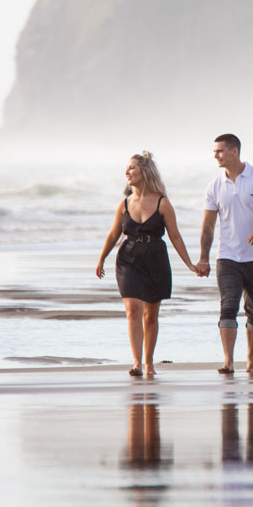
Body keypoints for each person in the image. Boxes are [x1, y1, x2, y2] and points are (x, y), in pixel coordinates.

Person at [96, 152, 198, 378]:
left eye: (132, 168)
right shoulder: (124, 204)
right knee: (133, 310)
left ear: (145, 171)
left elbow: (176, 236)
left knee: (150, 316)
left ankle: (149, 363)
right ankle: (137, 363)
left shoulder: (163, 203)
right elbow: (114, 234)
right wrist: (102, 257)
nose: (127, 172)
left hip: (155, 259)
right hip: (128, 258)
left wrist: (190, 264)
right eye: (127, 168)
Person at [195, 134, 253, 374]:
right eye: (215, 151)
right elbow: (208, 226)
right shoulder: (214, 185)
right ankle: (228, 361)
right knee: (228, 307)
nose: (215, 155)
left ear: (234, 151)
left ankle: (251, 359)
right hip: (228, 256)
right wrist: (203, 257)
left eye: (219, 151)